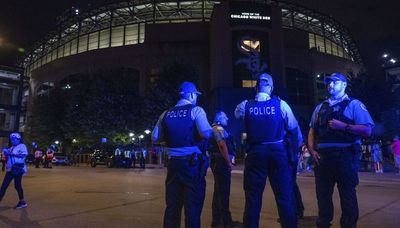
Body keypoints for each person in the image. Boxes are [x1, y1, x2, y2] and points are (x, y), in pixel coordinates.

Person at [308, 73, 374, 228]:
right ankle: (323, 223)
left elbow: (367, 130)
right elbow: (312, 131)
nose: (330, 85)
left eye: (335, 82)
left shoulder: (354, 104)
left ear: (344, 85)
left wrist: (343, 126)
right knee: (323, 196)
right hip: (323, 158)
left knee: (347, 196)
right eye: (329, 83)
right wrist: (312, 150)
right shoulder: (320, 107)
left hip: (345, 157)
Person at [235, 73, 299, 228]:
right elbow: (292, 127)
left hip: (255, 153)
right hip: (278, 152)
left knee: (253, 199)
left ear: (256, 87)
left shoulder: (245, 105)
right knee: (284, 198)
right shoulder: (281, 104)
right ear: (271, 87)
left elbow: (237, 116)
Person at [152, 81, 212, 228]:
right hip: (191, 165)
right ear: (191, 94)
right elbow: (205, 133)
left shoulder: (165, 114)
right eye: (196, 95)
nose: (196, 98)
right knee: (192, 208)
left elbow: (154, 138)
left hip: (173, 164)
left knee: (172, 207)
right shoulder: (196, 110)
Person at [209, 111, 234, 228]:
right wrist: (228, 162)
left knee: (218, 192)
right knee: (224, 192)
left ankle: (217, 220)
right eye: (225, 116)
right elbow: (222, 145)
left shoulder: (216, 128)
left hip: (217, 162)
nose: (227, 118)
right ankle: (226, 222)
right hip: (220, 162)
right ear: (219, 118)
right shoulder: (217, 128)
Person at [0, 133, 28, 209]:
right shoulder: (12, 147)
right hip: (11, 169)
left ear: (18, 139)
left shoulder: (22, 146)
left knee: (13, 186)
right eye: (11, 139)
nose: (12, 141)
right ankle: (22, 202)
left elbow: (23, 155)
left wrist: (11, 153)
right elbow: (8, 155)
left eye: (14, 139)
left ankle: (22, 202)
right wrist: (5, 152)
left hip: (17, 169)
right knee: (6, 186)